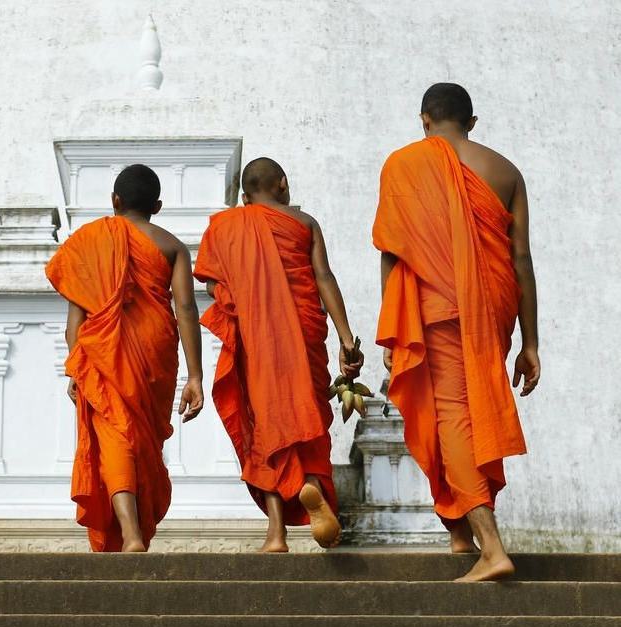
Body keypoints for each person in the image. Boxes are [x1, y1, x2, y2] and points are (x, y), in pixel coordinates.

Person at [374, 83, 540, 581]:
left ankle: (490, 546)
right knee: (472, 411)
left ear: (424, 119)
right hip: (492, 305)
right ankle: (460, 533)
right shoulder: (505, 170)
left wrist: (392, 325)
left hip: (436, 307)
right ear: (473, 120)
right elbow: (522, 258)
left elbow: (393, 249)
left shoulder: (403, 165)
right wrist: (531, 342)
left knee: (451, 416)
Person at [195, 157, 363, 552]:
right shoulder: (304, 224)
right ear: (283, 184)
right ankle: (309, 483)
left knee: (263, 426)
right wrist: (346, 338)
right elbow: (323, 277)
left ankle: (276, 533)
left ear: (243, 196)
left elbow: (213, 289)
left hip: (255, 340)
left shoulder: (223, 228)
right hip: (304, 335)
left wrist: (242, 297)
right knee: (307, 419)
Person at [45, 163, 205, 552]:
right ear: (158, 205)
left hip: (104, 353)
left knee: (116, 434)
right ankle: (135, 532)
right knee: (140, 439)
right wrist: (196, 377)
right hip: (155, 351)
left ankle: (131, 533)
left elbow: (76, 319)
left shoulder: (90, 241)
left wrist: (79, 365)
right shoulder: (172, 246)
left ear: (114, 201)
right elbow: (185, 309)